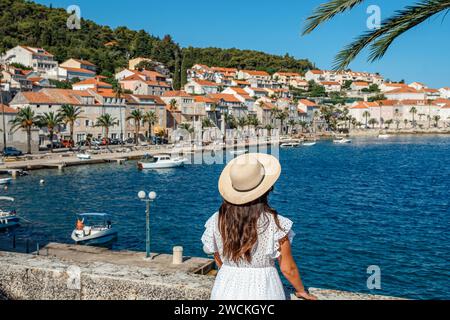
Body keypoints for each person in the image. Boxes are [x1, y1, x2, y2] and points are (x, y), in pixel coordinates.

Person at [202, 153, 317, 300]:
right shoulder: (276, 223)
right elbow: (288, 268)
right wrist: (302, 291)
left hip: (225, 287)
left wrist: (231, 271)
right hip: (264, 289)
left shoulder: (217, 220)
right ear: (267, 189)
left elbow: (217, 255)